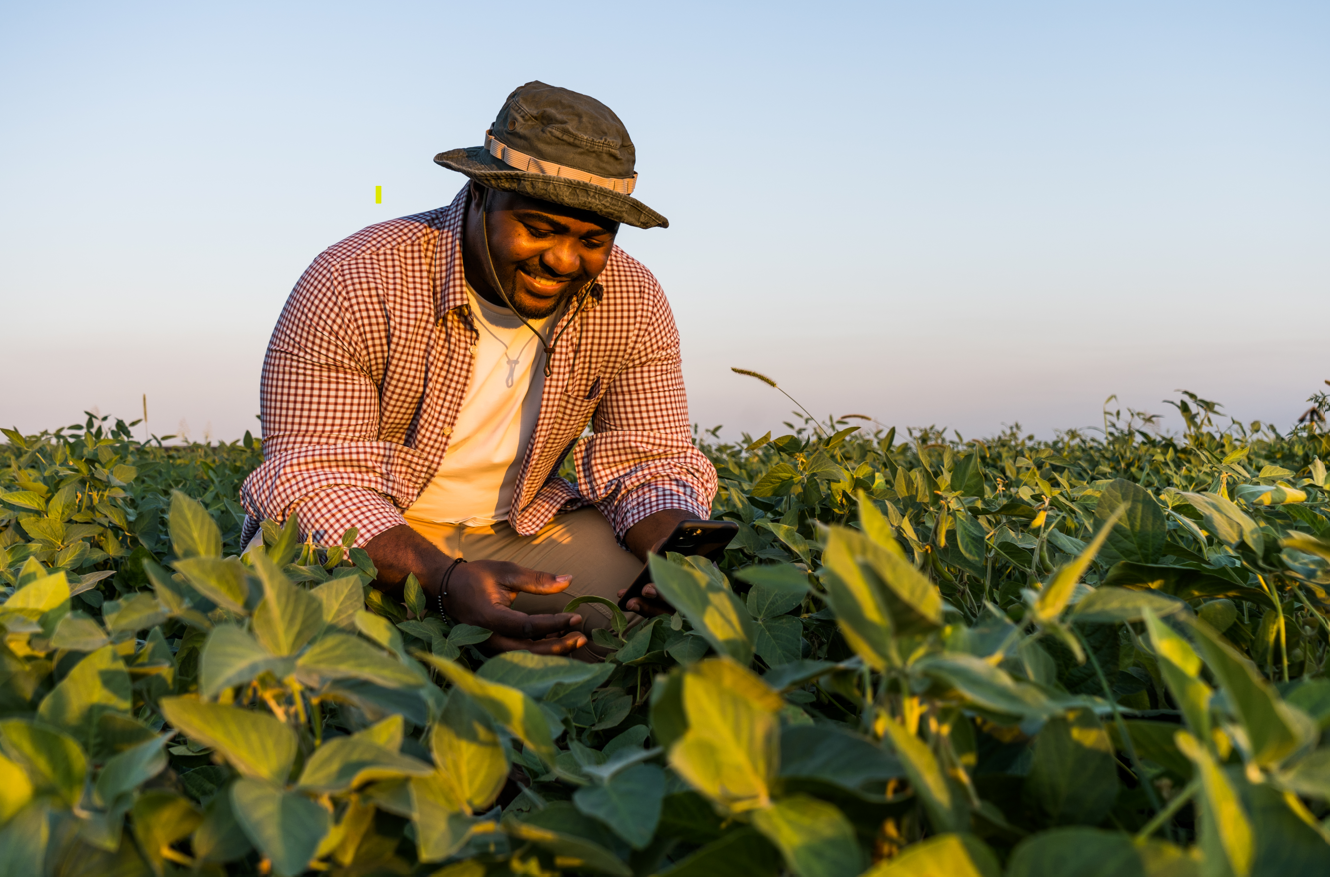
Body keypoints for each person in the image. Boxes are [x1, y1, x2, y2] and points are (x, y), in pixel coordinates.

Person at [240, 81, 716, 659]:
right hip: (377, 524)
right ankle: (451, 650)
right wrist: (444, 582)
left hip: (518, 527)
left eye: (592, 239)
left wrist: (674, 548)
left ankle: (514, 670)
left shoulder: (630, 296)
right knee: (294, 633)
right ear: (481, 194)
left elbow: (651, 456)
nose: (564, 261)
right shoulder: (356, 279)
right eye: (539, 229)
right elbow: (313, 478)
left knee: (653, 621)